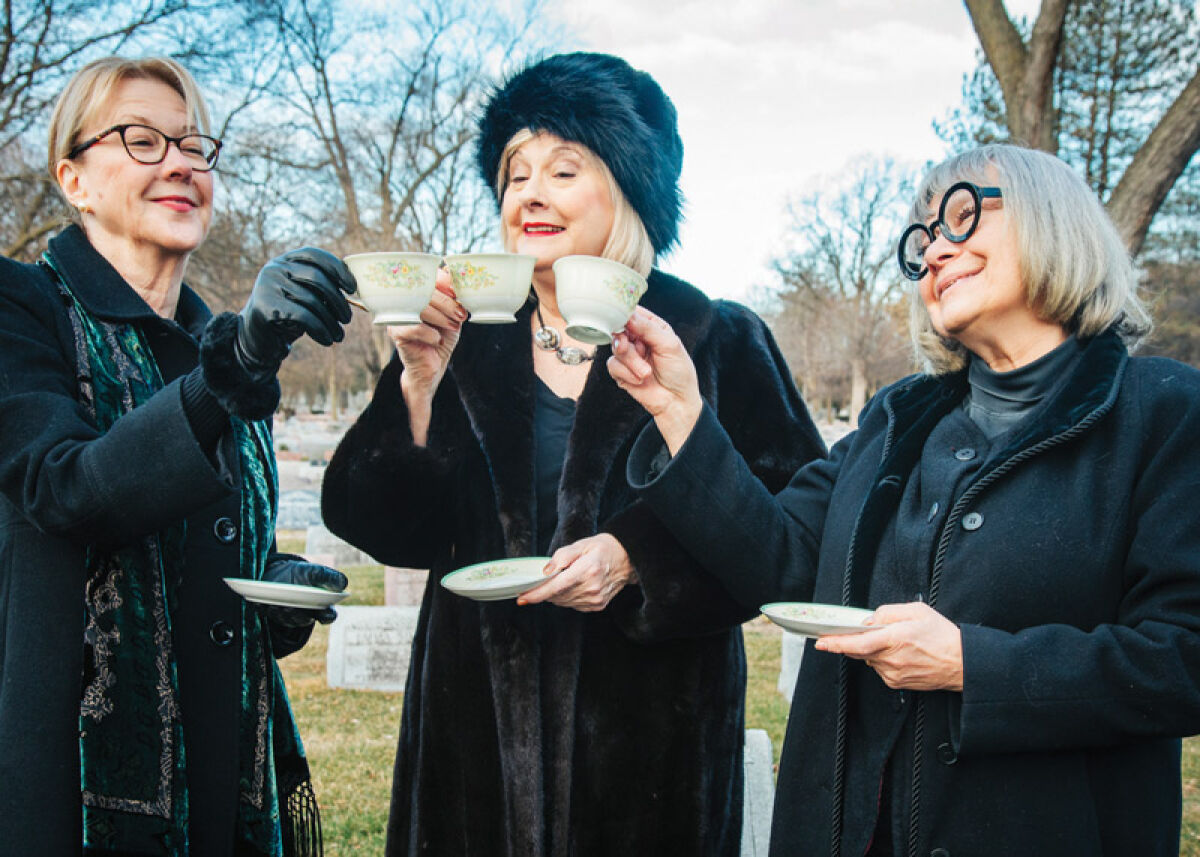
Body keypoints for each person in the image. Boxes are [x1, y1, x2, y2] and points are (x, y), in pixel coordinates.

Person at [608, 141, 1200, 857]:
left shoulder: (1166, 413)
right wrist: (681, 413)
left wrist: (970, 665)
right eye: (922, 242)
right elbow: (781, 561)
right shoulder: (896, 420)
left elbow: (1183, 657)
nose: (934, 253)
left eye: (960, 216)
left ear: (1055, 220)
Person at [320, 52, 825, 856]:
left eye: (563, 168)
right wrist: (415, 385)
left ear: (628, 189)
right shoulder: (461, 334)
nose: (530, 191)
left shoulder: (715, 335)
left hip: (655, 751)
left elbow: (788, 536)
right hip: (471, 734)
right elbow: (386, 527)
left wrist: (636, 559)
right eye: (514, 172)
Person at [0, 57, 358, 856]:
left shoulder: (220, 347)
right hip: (68, 794)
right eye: (141, 139)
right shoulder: (22, 307)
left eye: (195, 145)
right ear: (74, 180)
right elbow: (70, 491)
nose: (180, 163)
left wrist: (277, 590)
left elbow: (209, 560)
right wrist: (234, 365)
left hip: (225, 783)